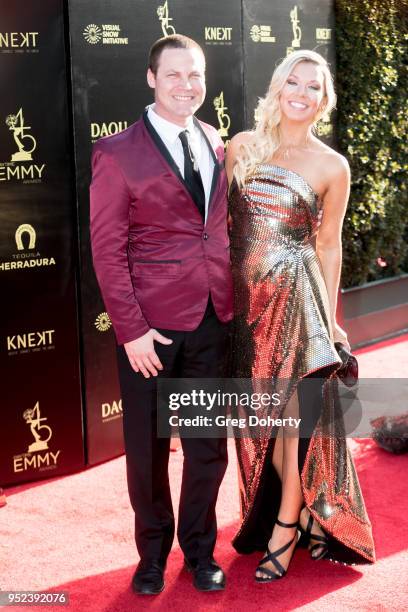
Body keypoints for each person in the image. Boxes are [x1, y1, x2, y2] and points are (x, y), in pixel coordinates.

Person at [90, 34, 233, 595]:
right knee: (147, 454)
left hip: (210, 322)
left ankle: (200, 552)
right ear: (151, 79)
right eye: (173, 75)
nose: (186, 85)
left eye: (195, 75)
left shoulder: (215, 140)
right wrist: (131, 332)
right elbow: (107, 249)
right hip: (149, 331)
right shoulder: (117, 152)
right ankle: (150, 556)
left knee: (206, 449)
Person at [226, 49, 375, 582]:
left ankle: (285, 527)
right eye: (294, 81)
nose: (302, 92)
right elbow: (221, 230)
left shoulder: (333, 165)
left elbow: (329, 245)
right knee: (264, 426)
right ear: (277, 86)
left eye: (314, 86)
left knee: (294, 422)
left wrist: (329, 318)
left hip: (299, 299)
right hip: (247, 309)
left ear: (324, 100)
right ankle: (311, 513)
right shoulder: (242, 148)